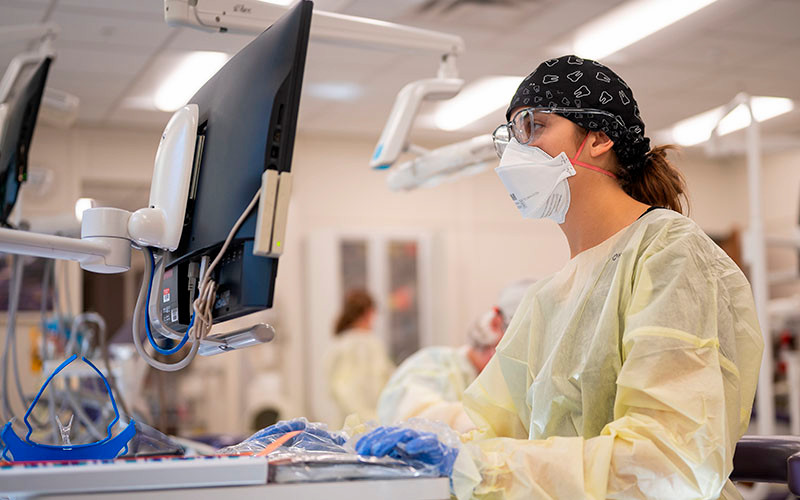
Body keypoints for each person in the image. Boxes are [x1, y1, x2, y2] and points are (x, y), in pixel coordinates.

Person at [356, 55, 763, 500]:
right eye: (511, 134)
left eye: (534, 126)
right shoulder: (547, 297)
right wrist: (393, 454)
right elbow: (493, 427)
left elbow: (666, 463)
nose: (517, 151)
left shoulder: (669, 252)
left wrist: (480, 467)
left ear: (600, 136)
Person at [377, 280, 533, 433]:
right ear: (494, 324)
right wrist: (473, 424)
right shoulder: (431, 366)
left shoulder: (518, 387)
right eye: (522, 344)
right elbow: (413, 418)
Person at [326, 289, 394, 423]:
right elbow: (349, 389)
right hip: (367, 423)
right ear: (368, 312)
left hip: (348, 423)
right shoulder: (365, 344)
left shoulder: (339, 343)